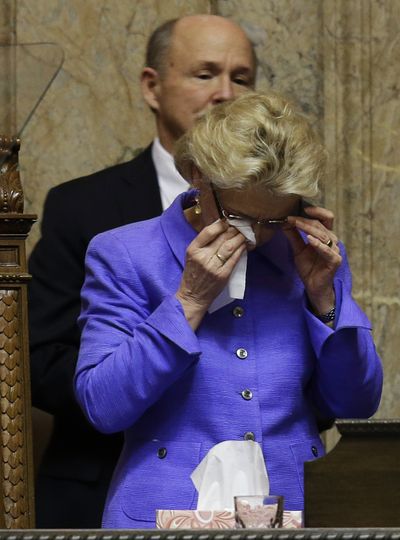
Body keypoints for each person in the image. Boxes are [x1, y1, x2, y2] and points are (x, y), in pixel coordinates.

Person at [75, 91, 383, 529]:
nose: (256, 237)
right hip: (162, 513)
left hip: (299, 509)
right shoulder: (123, 253)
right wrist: (189, 301)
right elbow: (103, 406)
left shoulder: (309, 256)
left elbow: (357, 402)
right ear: (198, 177)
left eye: (273, 221)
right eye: (240, 218)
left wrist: (325, 299)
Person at [28, 14, 257, 528]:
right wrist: (149, 387)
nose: (225, 94)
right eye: (204, 74)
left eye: (240, 78)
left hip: (255, 499)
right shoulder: (82, 207)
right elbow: (39, 358)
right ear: (153, 87)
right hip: (101, 486)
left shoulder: (280, 213)